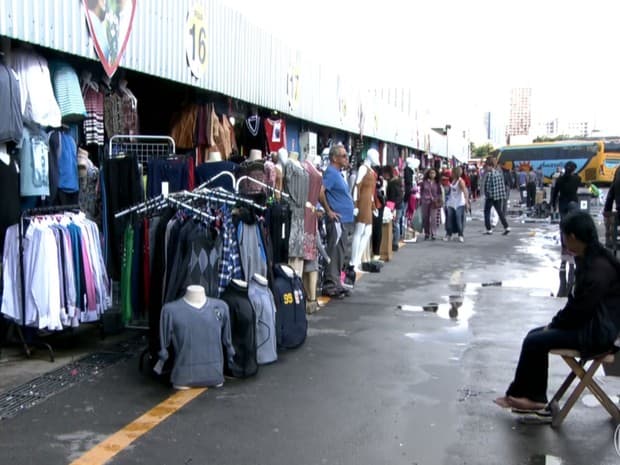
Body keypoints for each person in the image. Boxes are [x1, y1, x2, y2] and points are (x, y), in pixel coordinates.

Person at [494, 211, 620, 413]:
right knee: (534, 336)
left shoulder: (598, 268)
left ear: (572, 237)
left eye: (563, 236)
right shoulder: (591, 258)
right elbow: (577, 306)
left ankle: (534, 398)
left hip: (597, 334)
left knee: (536, 340)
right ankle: (522, 395)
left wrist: (555, 324)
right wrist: (554, 324)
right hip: (593, 325)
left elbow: (578, 310)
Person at [319, 145, 354, 298]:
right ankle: (330, 285)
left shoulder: (338, 174)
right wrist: (329, 211)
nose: (346, 159)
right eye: (344, 156)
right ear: (335, 158)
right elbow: (321, 191)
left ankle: (336, 282)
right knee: (335, 251)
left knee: (340, 252)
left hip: (344, 219)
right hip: (337, 219)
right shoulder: (331, 174)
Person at [482, 157, 510, 235]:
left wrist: (486, 195)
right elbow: (501, 186)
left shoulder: (489, 174)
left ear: (490, 165)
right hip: (498, 196)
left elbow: (487, 187)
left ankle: (489, 229)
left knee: (486, 212)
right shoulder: (498, 173)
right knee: (500, 212)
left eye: (487, 165)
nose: (486, 167)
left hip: (490, 197)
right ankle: (506, 227)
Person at [444, 166, 469, 242]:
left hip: (459, 203)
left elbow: (465, 192)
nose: (451, 173)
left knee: (458, 219)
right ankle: (449, 234)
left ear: (455, 173)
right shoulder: (453, 180)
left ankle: (460, 234)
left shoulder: (460, 181)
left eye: (452, 172)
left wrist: (466, 202)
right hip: (451, 202)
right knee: (449, 219)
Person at [383, 165, 404, 251]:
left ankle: (395, 243)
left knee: (395, 224)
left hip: (395, 206)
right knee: (395, 224)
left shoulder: (393, 183)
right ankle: (394, 242)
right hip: (395, 205)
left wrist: (392, 207)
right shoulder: (394, 181)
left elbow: (397, 197)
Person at [419, 168, 442, 240]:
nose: (432, 174)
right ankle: (426, 233)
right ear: (428, 174)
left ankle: (433, 233)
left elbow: (439, 193)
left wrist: (438, 200)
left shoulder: (437, 183)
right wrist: (421, 199)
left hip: (434, 202)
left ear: (436, 174)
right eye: (431, 173)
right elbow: (421, 191)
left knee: (433, 218)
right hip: (425, 201)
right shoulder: (424, 182)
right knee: (425, 218)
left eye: (433, 173)